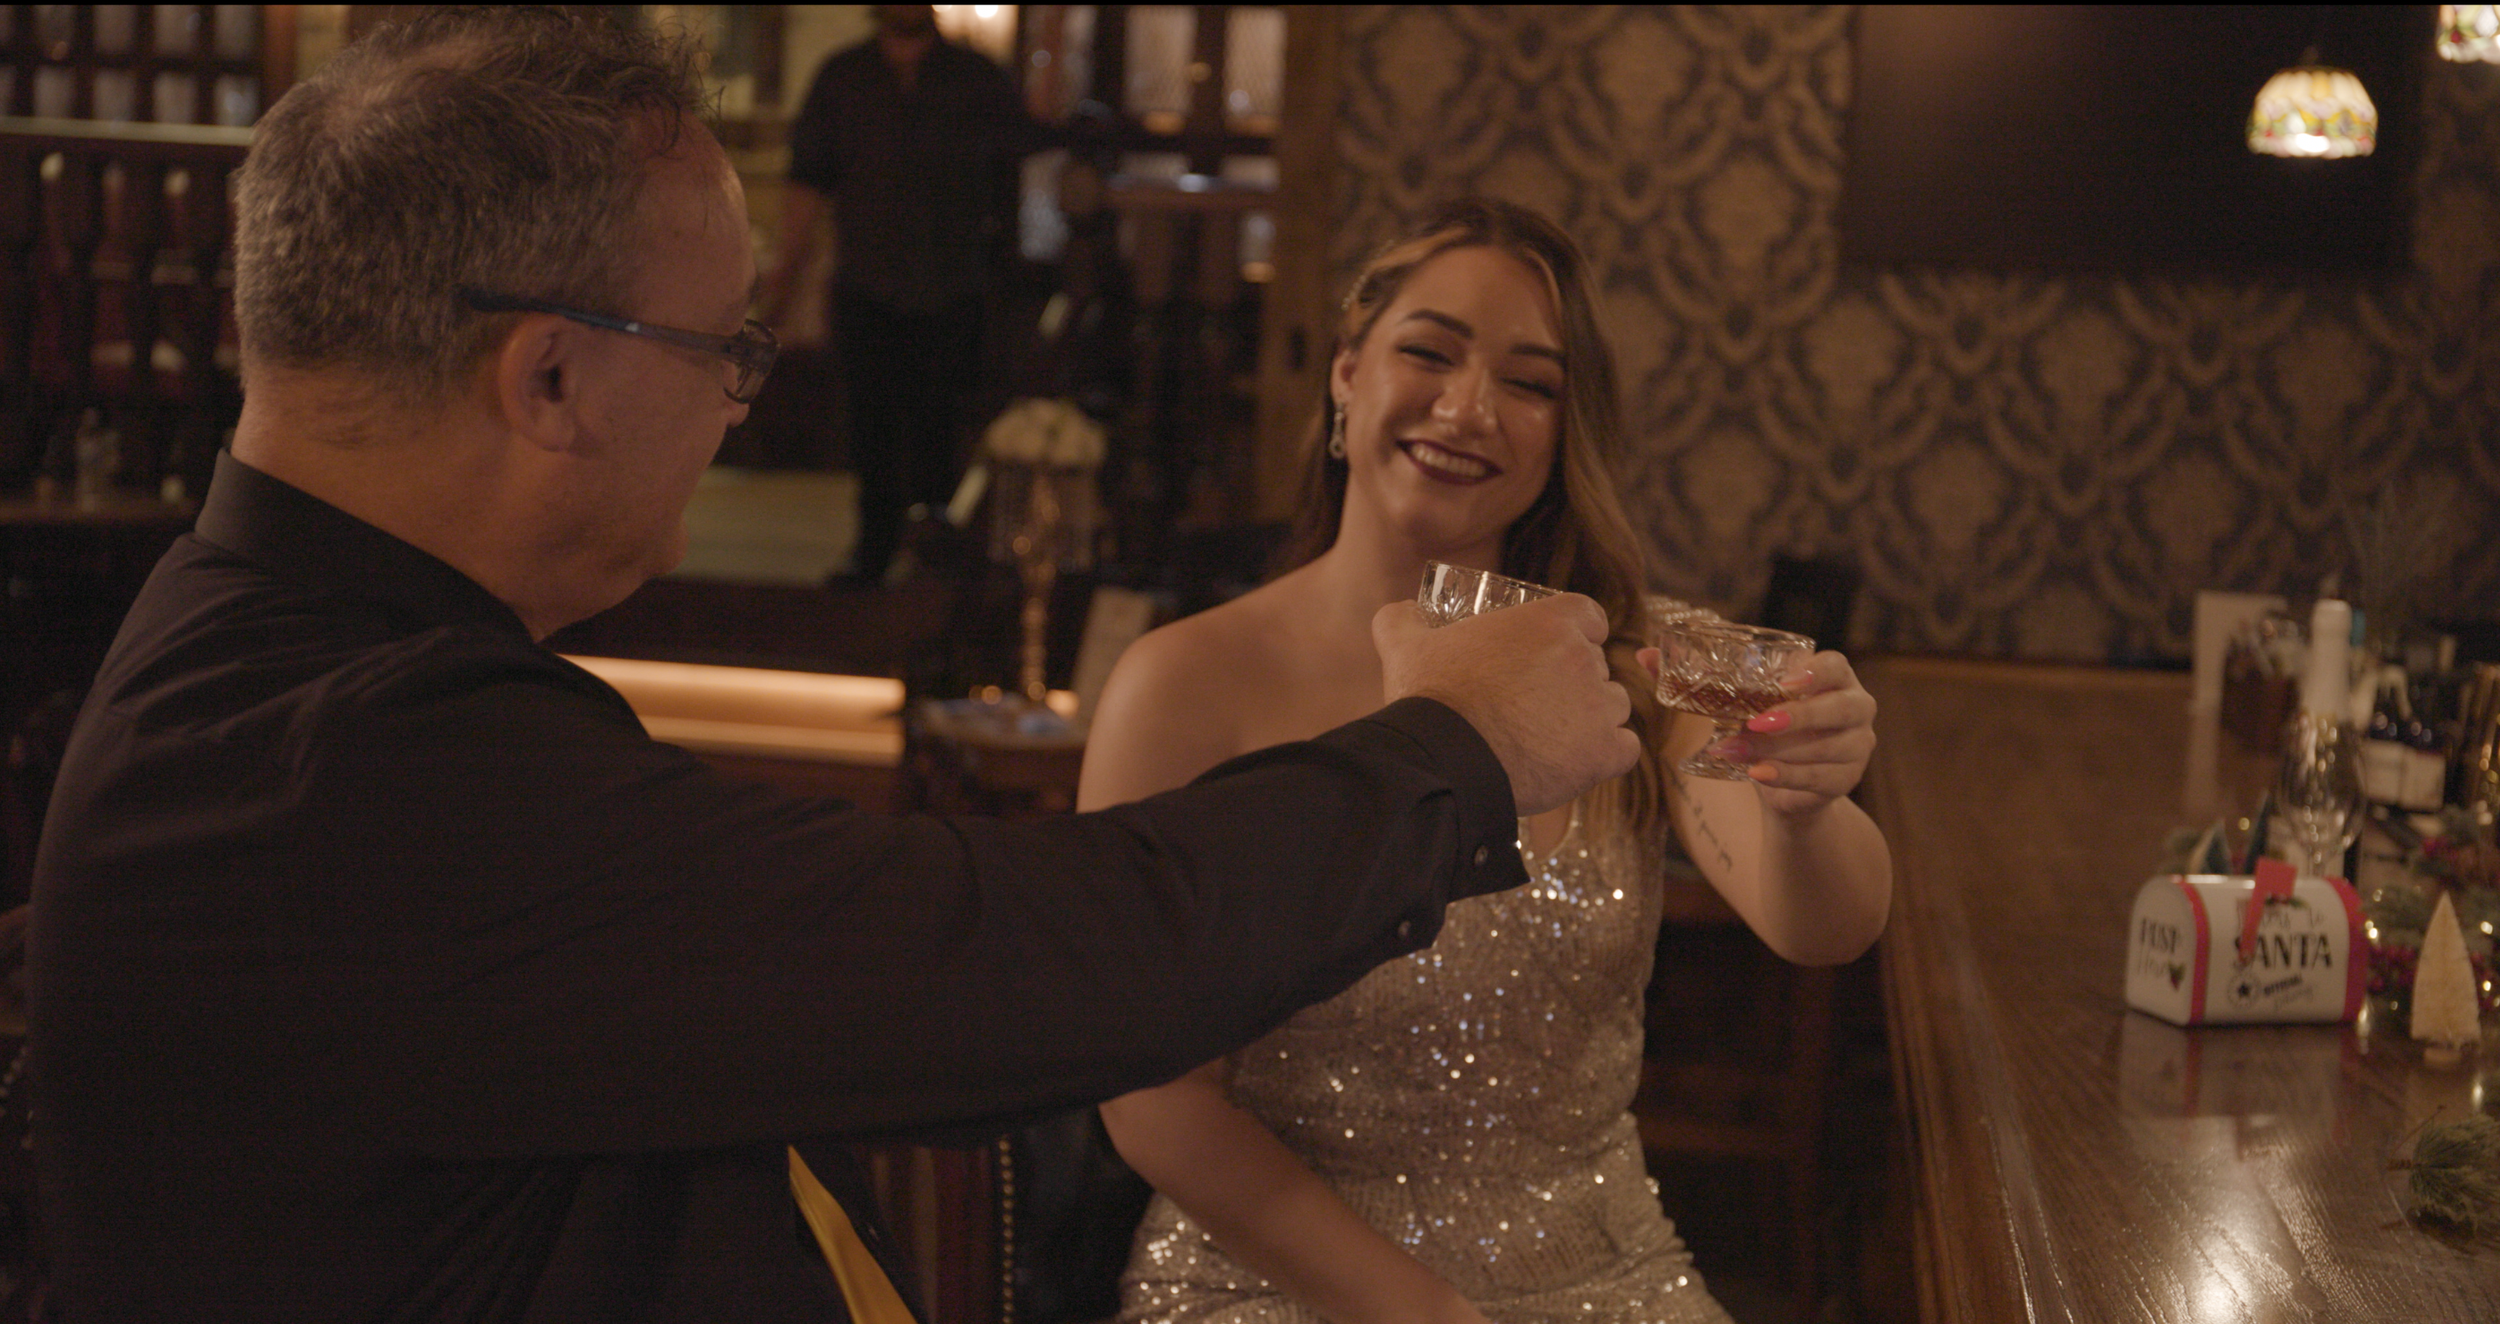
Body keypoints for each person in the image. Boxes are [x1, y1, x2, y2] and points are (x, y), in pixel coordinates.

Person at [24, 16, 1647, 1322]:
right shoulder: (357, 768)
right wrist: (1464, 739)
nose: (743, 403)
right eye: (729, 346)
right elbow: (1030, 954)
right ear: (551, 374)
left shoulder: (277, 645)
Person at [1079, 200, 1894, 1323]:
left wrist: (1808, 802)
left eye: (1529, 383)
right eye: (1427, 352)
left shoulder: (1648, 654)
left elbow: (1828, 927)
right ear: (1346, 374)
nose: (1467, 409)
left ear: (1565, 434)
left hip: (1608, 1274)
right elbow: (1149, 1090)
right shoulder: (1180, 684)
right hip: (1265, 1281)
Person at [762, 3, 1037, 584]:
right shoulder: (844, 75)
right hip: (869, 280)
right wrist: (786, 277)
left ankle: (935, 558)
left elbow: (1019, 173)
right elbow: (808, 178)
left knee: (942, 424)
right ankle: (874, 551)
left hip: (954, 283)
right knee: (871, 426)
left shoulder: (975, 77)